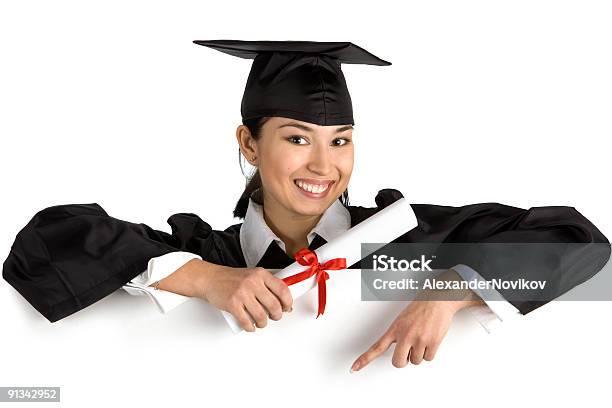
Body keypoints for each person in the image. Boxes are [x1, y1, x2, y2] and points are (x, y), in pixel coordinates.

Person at [3, 41, 610, 371]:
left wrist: (451, 286)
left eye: (340, 140)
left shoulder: (405, 243)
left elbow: (580, 242)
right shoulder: (205, 255)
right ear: (248, 143)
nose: (325, 166)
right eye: (297, 138)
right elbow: (44, 243)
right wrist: (208, 279)